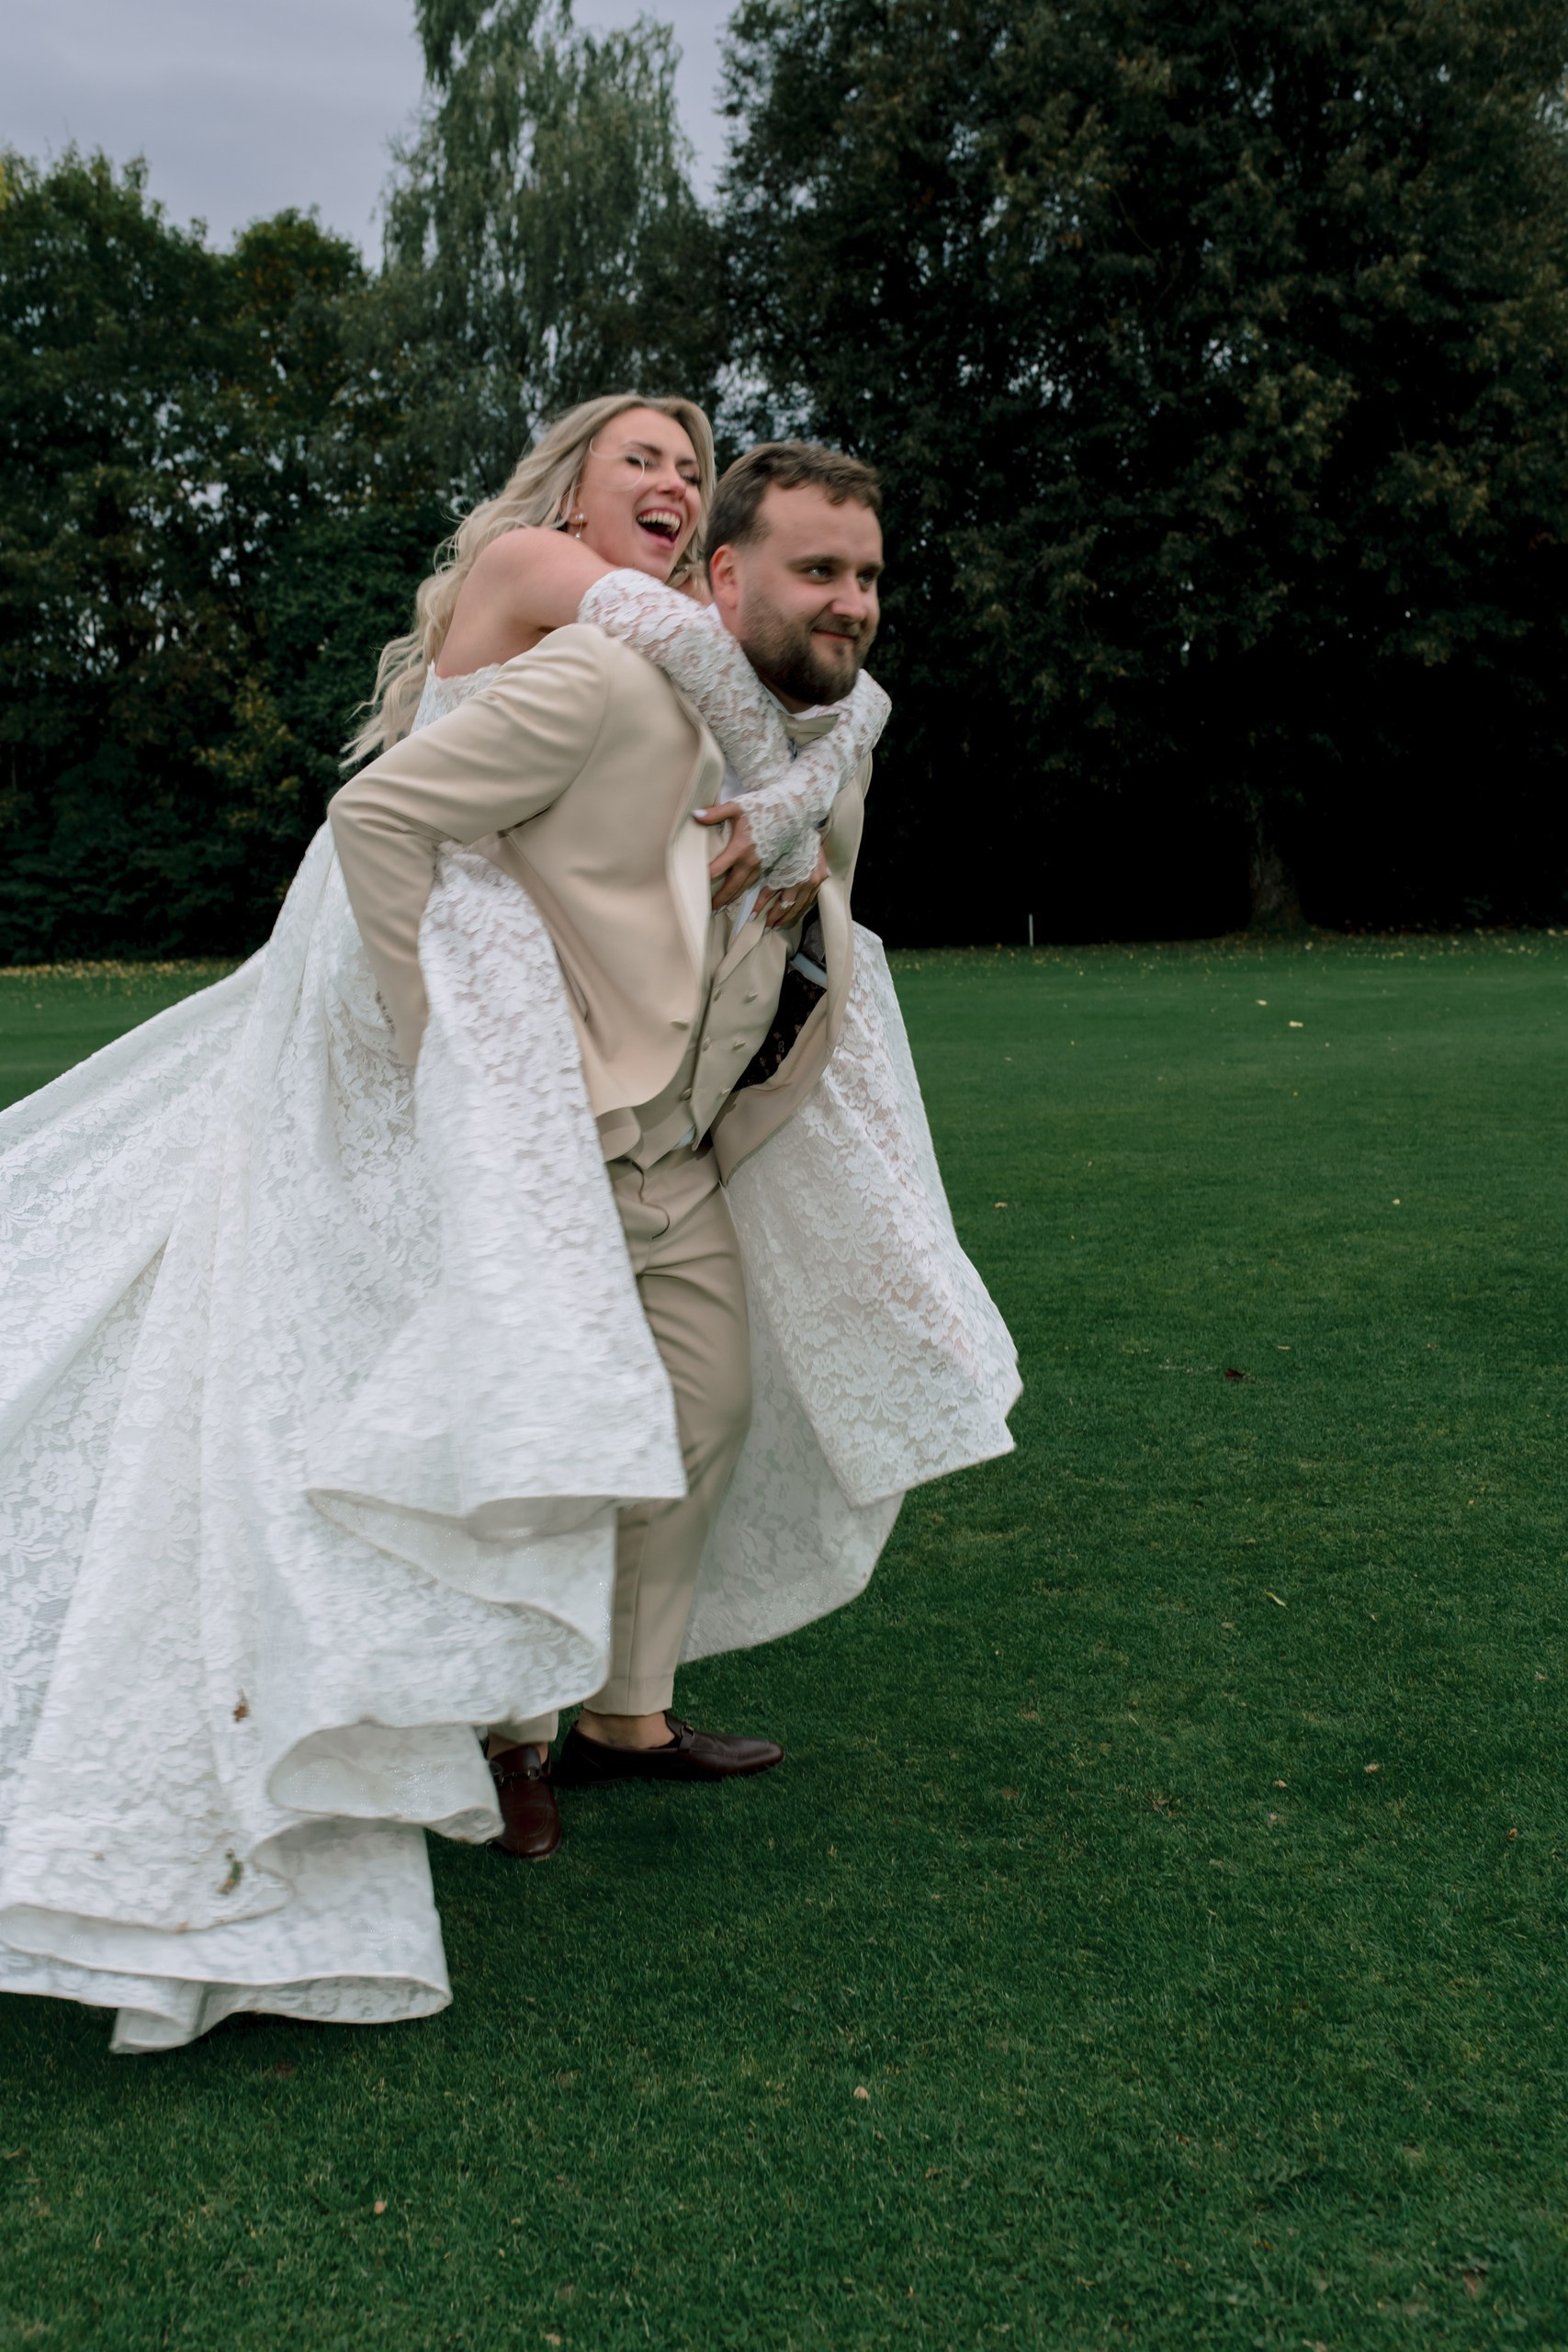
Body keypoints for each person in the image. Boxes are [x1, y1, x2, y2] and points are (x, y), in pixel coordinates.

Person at [0, 394, 1017, 2052]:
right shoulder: (594, 645)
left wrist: (780, 886)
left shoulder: (803, 729)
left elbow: (816, 904)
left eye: (867, 578)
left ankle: (628, 1716)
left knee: (705, 1403)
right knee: (523, 1418)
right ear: (720, 572)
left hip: (669, 1137)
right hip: (523, 1113)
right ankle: (508, 1735)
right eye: (812, 566)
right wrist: (431, 1047)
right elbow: (386, 822)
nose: (845, 601)